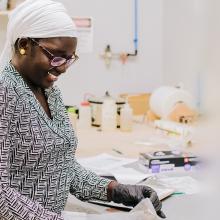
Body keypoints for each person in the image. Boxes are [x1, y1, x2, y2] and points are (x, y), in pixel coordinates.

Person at [0, 0, 165, 219]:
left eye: (69, 60)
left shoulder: (51, 94)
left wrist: (115, 190)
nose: (63, 68)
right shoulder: (5, 94)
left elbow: (63, 167)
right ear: (24, 45)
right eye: (56, 57)